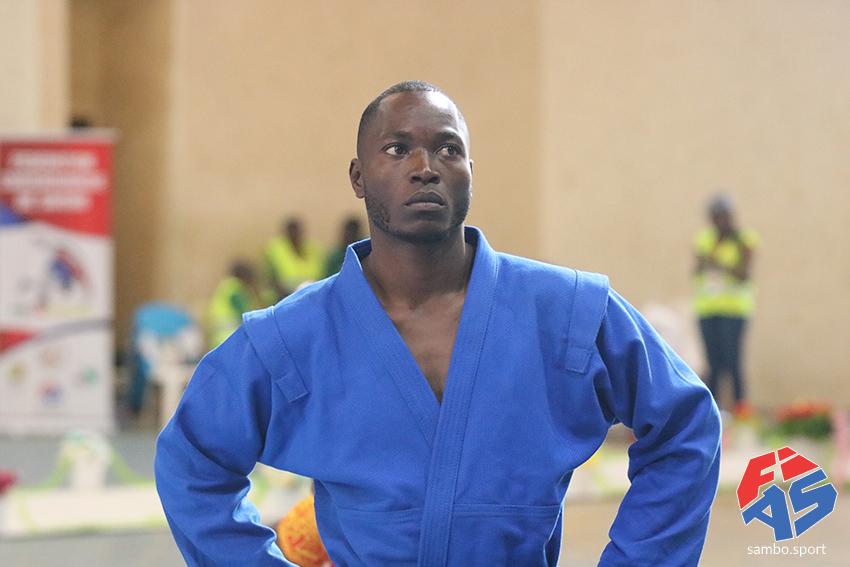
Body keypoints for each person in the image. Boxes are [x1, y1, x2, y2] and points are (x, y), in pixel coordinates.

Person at [156, 81, 721, 566]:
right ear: (358, 176)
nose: (424, 168)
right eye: (397, 148)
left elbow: (686, 424)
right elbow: (191, 460)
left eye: (448, 149)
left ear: (470, 172)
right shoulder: (291, 337)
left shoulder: (568, 311)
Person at [694, 195, 759, 418]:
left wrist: (720, 264)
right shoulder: (705, 239)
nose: (721, 222)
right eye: (716, 217)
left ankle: (741, 409)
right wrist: (713, 253)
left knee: (732, 360)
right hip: (708, 309)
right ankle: (711, 412)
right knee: (713, 362)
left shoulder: (744, 240)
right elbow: (697, 268)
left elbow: (744, 273)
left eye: (724, 217)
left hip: (734, 310)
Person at [206, 259, 274, 349]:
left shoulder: (226, 286)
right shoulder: (235, 288)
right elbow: (246, 315)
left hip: (219, 340)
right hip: (229, 338)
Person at [264, 217, 326, 298]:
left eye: (297, 232)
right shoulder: (275, 250)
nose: (295, 234)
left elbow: (321, 275)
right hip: (284, 296)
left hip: (312, 294)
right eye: (292, 232)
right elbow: (272, 280)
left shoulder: (313, 248)